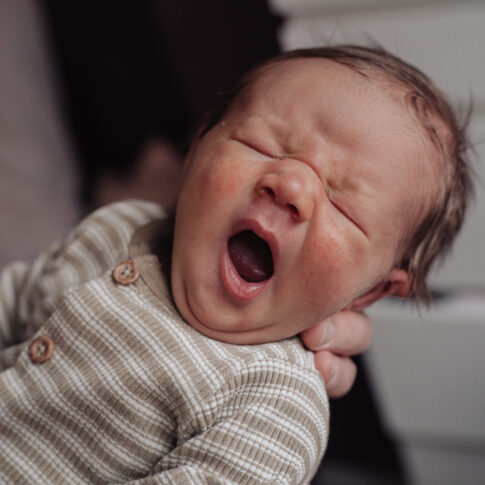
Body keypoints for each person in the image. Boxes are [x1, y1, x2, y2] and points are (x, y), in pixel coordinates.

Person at [0, 46, 472, 484]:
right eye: (263, 145)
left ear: (368, 292)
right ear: (195, 152)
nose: (291, 185)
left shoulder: (274, 410)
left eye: (343, 204)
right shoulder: (119, 229)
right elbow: (16, 297)